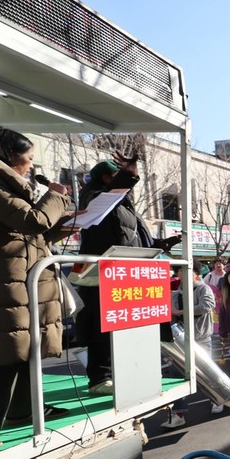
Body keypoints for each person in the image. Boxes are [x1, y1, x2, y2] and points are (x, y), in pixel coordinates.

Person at [0, 127, 75, 448]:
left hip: (24, 276)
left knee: (29, 349)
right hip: (6, 279)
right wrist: (55, 196)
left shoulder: (13, 186)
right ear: (9, 156)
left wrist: (67, 223)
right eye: (28, 159)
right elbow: (31, 221)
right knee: (9, 351)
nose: (31, 166)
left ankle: (23, 411)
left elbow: (35, 234)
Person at [75, 154, 179, 395]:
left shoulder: (126, 205)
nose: (128, 183)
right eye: (118, 175)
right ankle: (100, 378)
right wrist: (129, 175)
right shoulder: (94, 197)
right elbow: (107, 204)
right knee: (102, 324)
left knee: (127, 326)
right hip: (104, 273)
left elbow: (137, 237)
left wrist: (162, 243)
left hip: (129, 274)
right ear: (105, 177)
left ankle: (126, 371)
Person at [161, 258, 217, 428]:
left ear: (196, 274)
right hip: (180, 341)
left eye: (187, 271)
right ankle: (179, 414)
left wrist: (181, 312)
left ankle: (217, 399)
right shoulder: (176, 293)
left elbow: (207, 306)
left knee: (207, 373)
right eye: (180, 271)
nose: (182, 274)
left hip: (201, 339)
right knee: (176, 377)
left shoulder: (202, 288)